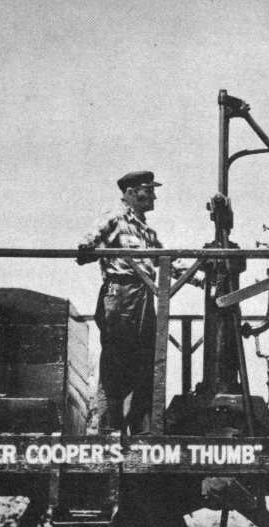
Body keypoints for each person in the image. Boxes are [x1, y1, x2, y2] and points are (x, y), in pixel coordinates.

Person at [77, 170, 192, 435]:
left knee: (144, 362)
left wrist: (202, 276)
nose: (153, 197)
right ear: (130, 193)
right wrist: (88, 248)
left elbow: (167, 260)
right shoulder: (115, 217)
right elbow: (87, 242)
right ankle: (110, 429)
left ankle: (141, 430)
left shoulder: (146, 230)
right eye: (148, 191)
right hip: (120, 294)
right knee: (116, 360)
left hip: (144, 294)